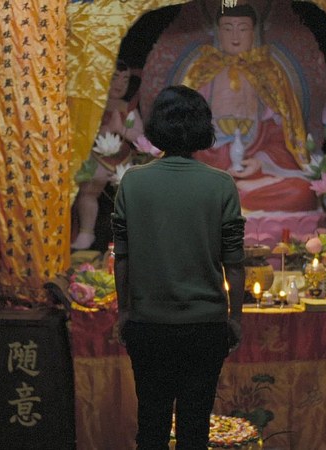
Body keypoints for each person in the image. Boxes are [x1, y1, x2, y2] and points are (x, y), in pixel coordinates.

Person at [112, 85, 246, 450]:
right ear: (203, 127)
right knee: (194, 431)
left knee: (151, 428)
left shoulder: (133, 182)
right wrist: (235, 318)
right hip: (205, 327)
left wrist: (124, 311)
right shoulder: (221, 184)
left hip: (148, 325)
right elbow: (234, 263)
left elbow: (122, 257)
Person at [181, 4, 318, 216]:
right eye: (228, 28)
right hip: (209, 164)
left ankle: (234, 195)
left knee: (303, 192)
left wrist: (260, 162)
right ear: (218, 32)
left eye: (243, 28)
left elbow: (281, 135)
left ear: (254, 33)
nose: (235, 36)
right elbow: (185, 129)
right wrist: (214, 156)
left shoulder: (269, 73)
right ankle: (230, 193)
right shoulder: (201, 72)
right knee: (181, 188)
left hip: (256, 167)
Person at [72, 60, 145, 250]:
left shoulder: (128, 108)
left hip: (123, 158)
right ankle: (86, 231)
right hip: (98, 157)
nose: (120, 84)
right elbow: (84, 133)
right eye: (115, 78)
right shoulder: (94, 105)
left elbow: (139, 136)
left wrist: (120, 129)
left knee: (131, 191)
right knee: (90, 187)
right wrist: (105, 129)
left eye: (125, 79)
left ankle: (134, 233)